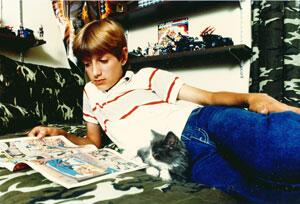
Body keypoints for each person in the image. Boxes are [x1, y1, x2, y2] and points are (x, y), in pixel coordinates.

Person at [28, 19, 300, 203]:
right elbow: (93, 142)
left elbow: (208, 97)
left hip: (200, 121)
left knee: (281, 146)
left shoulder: (145, 76)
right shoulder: (89, 93)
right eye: (87, 64)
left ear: (122, 57)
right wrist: (60, 134)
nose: (95, 72)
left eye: (103, 60)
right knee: (244, 192)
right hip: (177, 155)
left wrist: (251, 98)